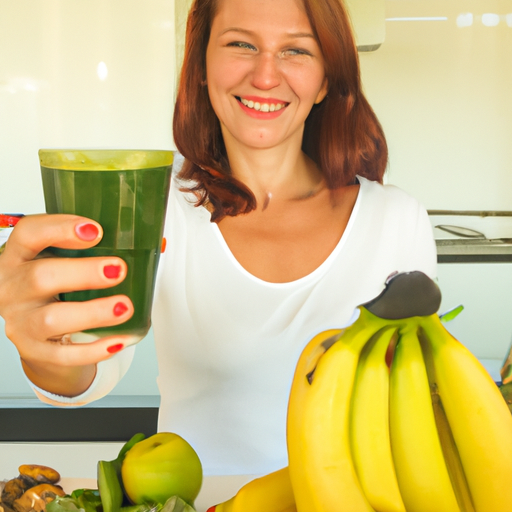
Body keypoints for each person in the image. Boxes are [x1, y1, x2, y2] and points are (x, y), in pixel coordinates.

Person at [0, 0, 437, 475]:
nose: (266, 76)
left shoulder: (398, 219)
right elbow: (88, 368)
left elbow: (416, 404)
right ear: (202, 65)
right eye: (241, 44)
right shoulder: (154, 206)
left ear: (326, 79)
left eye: (296, 51)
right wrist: (45, 340)